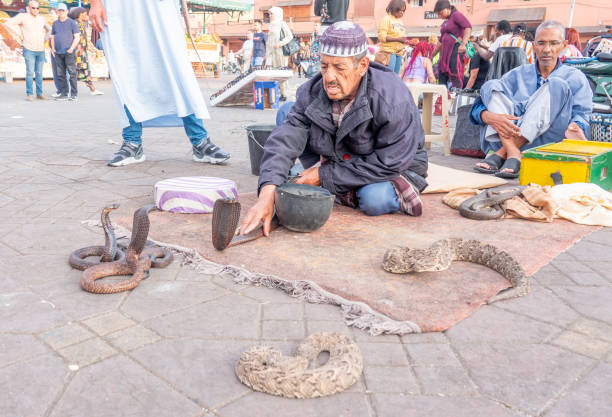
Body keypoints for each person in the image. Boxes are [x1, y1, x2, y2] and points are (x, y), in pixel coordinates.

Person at [240, 21, 429, 237]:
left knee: (374, 200)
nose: (329, 77)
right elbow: (286, 139)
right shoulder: (312, 90)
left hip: (391, 164)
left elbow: (392, 161)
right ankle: (328, 182)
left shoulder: (392, 97)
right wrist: (267, 192)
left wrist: (323, 174)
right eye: (324, 66)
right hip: (341, 153)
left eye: (339, 68)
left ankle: (328, 183)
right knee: (288, 112)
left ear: (363, 65)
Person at [88, 0, 230, 167]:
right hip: (119, 8)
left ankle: (199, 140)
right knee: (126, 70)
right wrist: (95, 3)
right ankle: (132, 142)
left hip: (160, 7)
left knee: (177, 69)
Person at [471, 20, 592, 179]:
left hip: (548, 142)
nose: (547, 50)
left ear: (564, 46)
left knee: (556, 85)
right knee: (491, 85)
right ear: (534, 45)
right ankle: (513, 153)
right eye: (541, 43)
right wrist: (488, 116)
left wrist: (577, 125)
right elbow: (476, 108)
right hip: (507, 131)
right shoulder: (517, 74)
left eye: (553, 43)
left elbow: (583, 114)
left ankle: (505, 152)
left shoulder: (575, 77)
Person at [4, 1, 51, 101]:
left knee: (39, 73)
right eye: (33, 8)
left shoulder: (41, 18)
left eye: (37, 8)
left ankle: (39, 93)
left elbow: (49, 29)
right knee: (30, 72)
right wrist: (18, 35)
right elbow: (8, 24)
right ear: (29, 8)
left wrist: (45, 38)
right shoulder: (23, 16)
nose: (36, 10)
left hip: (40, 49)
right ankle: (30, 94)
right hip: (29, 49)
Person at [431, 0, 472, 88]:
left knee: (455, 75)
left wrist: (463, 44)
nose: (440, 16)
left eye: (440, 13)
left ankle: (456, 98)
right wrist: (432, 55)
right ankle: (442, 97)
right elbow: (441, 41)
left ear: (447, 9)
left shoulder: (456, 15)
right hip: (445, 53)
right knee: (442, 75)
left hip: (455, 50)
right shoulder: (446, 21)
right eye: (438, 14)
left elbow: (468, 27)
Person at [68, 7, 104, 95]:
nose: (86, 15)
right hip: (76, 53)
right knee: (73, 71)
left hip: (82, 53)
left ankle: (92, 89)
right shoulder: (74, 23)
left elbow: (91, 24)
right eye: (84, 13)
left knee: (85, 71)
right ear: (80, 14)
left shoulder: (82, 23)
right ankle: (66, 91)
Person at [50, 3, 80, 101]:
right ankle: (64, 93)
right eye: (59, 11)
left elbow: (77, 37)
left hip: (69, 52)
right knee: (61, 74)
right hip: (58, 52)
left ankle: (74, 94)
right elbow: (53, 37)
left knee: (72, 73)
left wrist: (71, 48)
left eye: (63, 10)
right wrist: (53, 48)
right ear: (57, 12)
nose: (61, 12)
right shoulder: (55, 23)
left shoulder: (72, 23)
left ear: (66, 11)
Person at [266, 7, 293, 101]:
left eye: (271, 14)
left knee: (281, 73)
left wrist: (280, 44)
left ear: (277, 14)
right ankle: (273, 92)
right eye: (269, 14)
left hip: (281, 53)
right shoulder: (271, 25)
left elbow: (290, 36)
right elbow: (269, 41)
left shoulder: (282, 24)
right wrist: (267, 54)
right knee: (271, 72)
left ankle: (284, 94)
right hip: (271, 54)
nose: (270, 16)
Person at [377, 0, 408, 75]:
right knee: (389, 76)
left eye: (404, 11)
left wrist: (408, 42)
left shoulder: (400, 21)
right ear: (395, 8)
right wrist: (398, 39)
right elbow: (381, 37)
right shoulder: (386, 19)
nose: (402, 13)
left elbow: (401, 38)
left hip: (399, 54)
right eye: (401, 11)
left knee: (395, 77)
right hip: (389, 53)